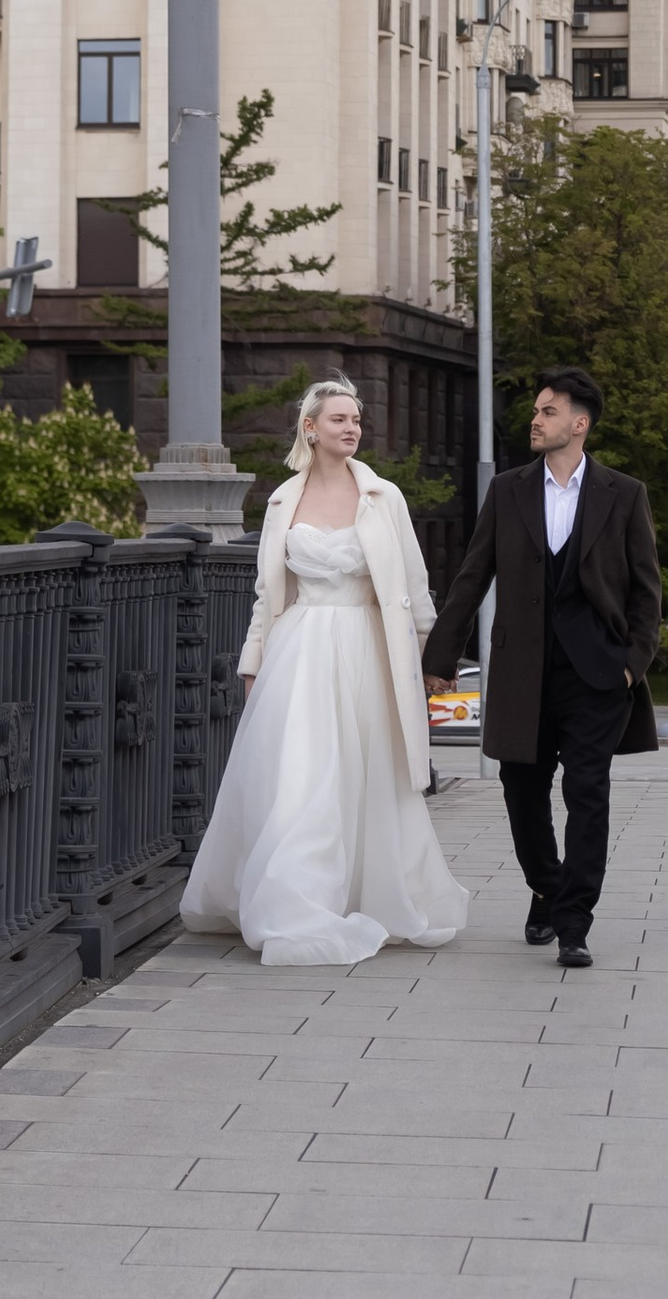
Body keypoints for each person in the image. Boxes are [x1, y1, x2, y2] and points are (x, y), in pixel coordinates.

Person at [180, 378, 469, 969]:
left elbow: (413, 589)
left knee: (367, 774)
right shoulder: (283, 500)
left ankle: (373, 896)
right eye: (339, 418)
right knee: (303, 777)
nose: (352, 427)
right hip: (301, 653)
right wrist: (253, 662)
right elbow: (268, 593)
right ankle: (296, 904)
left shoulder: (384, 496)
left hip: (369, 650)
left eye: (357, 419)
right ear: (310, 428)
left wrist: (429, 663)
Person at [423, 367, 661, 969]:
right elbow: (473, 575)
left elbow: (645, 592)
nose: (536, 419)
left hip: (596, 676)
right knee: (521, 791)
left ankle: (574, 921)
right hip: (522, 672)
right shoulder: (508, 491)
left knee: (588, 792)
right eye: (536, 410)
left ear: (579, 425)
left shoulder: (623, 494)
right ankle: (546, 887)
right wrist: (441, 657)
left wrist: (632, 666)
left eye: (548, 411)